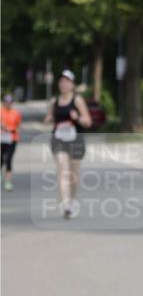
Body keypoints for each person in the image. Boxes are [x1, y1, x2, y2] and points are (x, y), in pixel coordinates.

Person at [43, 69, 92, 218]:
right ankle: (65, 204)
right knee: (62, 170)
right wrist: (48, 119)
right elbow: (49, 117)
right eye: (61, 81)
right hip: (58, 140)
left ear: (72, 85)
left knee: (73, 175)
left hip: (76, 141)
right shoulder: (54, 101)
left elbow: (88, 122)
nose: (63, 84)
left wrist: (77, 118)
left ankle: (71, 200)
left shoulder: (77, 100)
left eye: (66, 81)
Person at [1, 94, 22, 191]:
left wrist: (13, 130)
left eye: (10, 102)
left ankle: (8, 182)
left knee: (9, 159)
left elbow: (18, 126)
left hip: (12, 138)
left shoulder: (16, 113)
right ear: (3, 102)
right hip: (1, 138)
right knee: (1, 158)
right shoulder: (1, 111)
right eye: (6, 102)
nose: (8, 104)